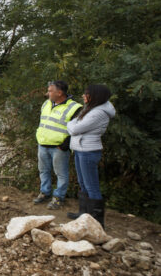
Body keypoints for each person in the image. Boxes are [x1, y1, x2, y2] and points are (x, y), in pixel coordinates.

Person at [66, 84, 115, 227]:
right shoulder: (90, 109)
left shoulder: (98, 113)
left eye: (86, 93)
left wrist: (70, 124)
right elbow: (74, 125)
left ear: (95, 96)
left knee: (91, 186)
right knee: (83, 184)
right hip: (80, 149)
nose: (83, 95)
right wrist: (72, 124)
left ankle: (96, 223)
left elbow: (74, 128)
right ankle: (84, 214)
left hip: (88, 151)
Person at [34, 80, 83, 209]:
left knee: (61, 174)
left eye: (50, 91)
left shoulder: (75, 107)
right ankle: (45, 193)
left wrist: (65, 144)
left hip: (59, 148)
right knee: (43, 170)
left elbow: (78, 128)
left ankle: (58, 198)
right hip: (43, 144)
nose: (47, 93)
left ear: (60, 93)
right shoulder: (46, 103)